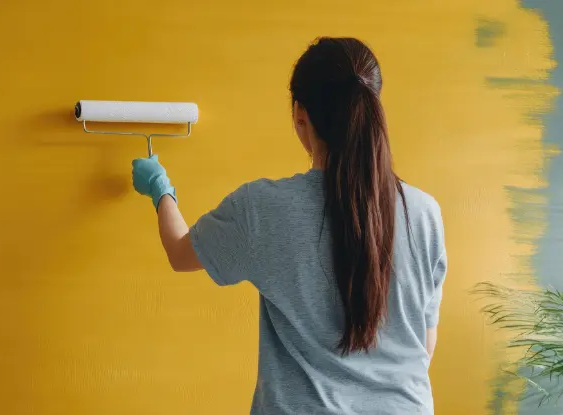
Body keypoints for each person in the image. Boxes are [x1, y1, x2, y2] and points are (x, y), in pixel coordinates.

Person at [131, 37, 447, 415]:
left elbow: (180, 253)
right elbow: (424, 344)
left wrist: (161, 190)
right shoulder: (424, 213)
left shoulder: (262, 209)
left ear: (301, 115)